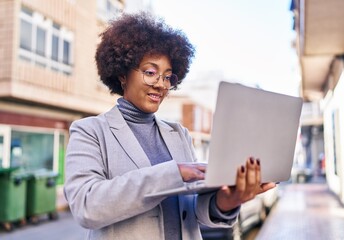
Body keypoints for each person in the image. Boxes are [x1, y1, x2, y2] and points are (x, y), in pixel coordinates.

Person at [64, 11, 276, 240]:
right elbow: (86, 206)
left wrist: (229, 200)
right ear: (123, 74)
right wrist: (173, 174)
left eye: (167, 77)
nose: (161, 85)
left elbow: (192, 209)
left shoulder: (178, 134)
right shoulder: (90, 131)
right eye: (150, 72)